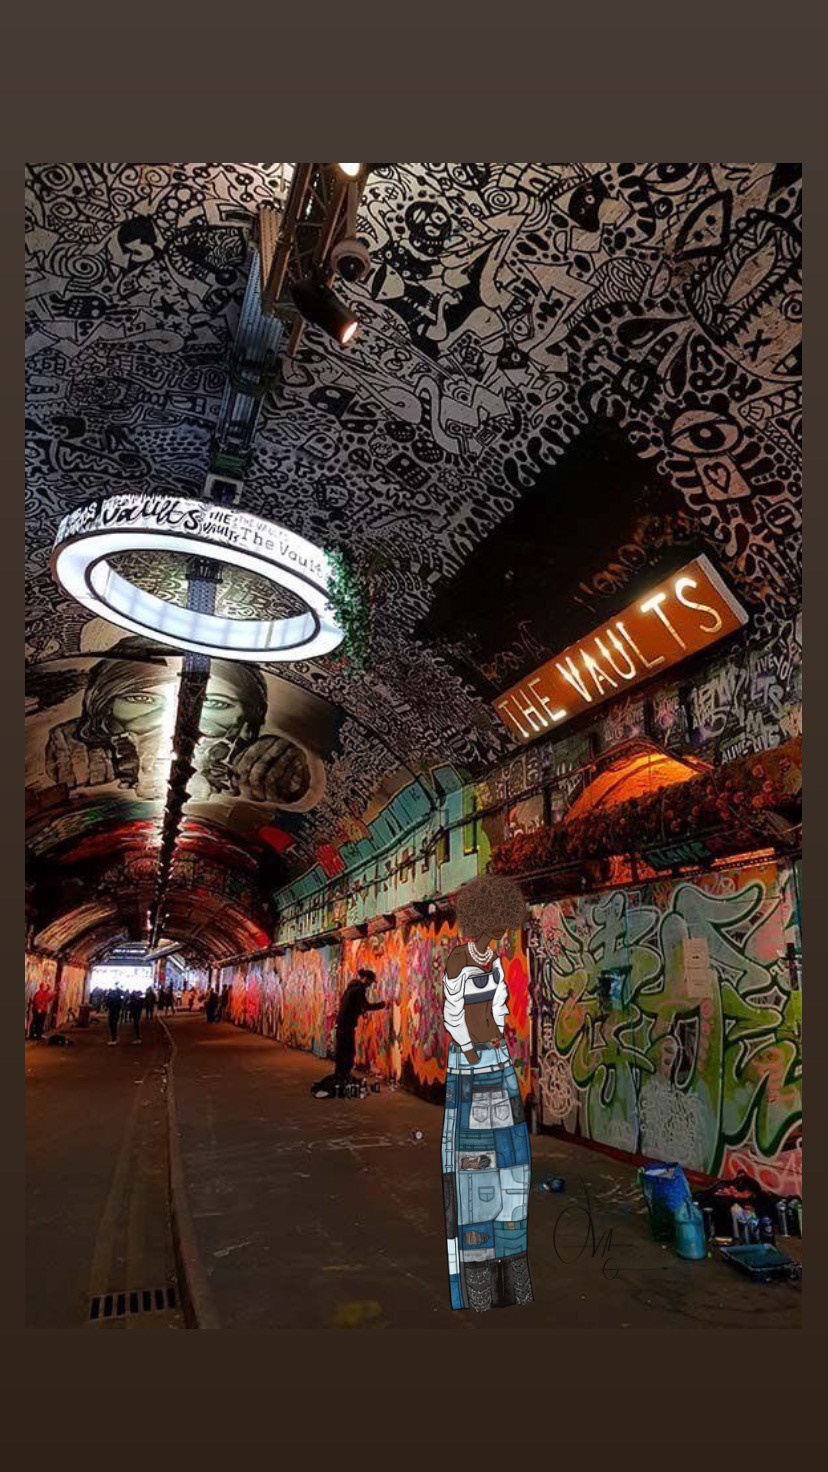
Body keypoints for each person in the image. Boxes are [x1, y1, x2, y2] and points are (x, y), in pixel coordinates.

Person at [441, 874, 534, 1315]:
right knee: (473, 1174)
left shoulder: (493, 961)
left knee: (513, 1169)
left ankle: (511, 1276)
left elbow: (499, 1004)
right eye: (497, 927)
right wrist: (469, 1047)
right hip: (469, 1067)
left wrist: (497, 1033)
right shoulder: (458, 961)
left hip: (497, 1061)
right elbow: (452, 1013)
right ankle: (478, 1283)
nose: (499, 935)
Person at [333, 968, 386, 1086]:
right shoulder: (360, 989)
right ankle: (344, 1076)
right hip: (347, 1025)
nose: (370, 985)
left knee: (342, 1052)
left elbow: (350, 1004)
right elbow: (365, 1005)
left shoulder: (351, 988)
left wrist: (359, 1011)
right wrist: (381, 1005)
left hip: (342, 1024)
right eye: (370, 982)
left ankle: (339, 1076)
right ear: (366, 979)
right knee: (349, 1052)